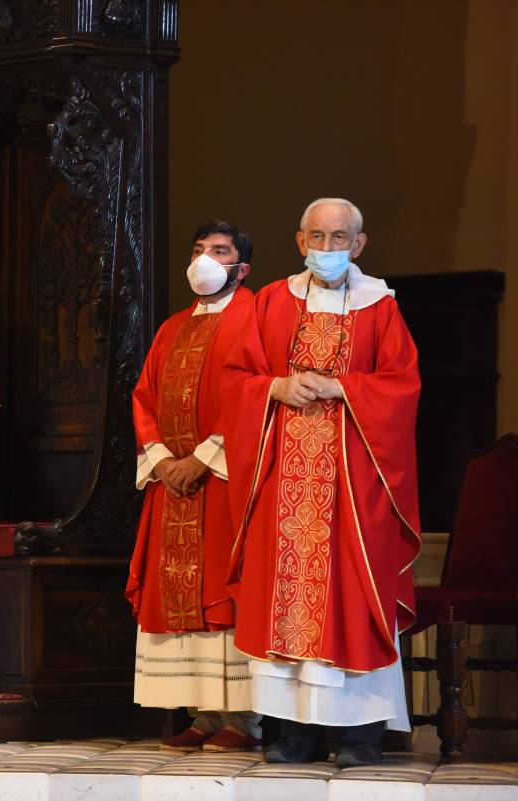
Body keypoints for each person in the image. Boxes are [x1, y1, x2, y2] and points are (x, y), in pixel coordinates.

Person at [224, 198, 421, 767]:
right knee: (283, 600)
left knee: (354, 598)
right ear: (299, 239)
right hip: (283, 475)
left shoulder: (380, 307)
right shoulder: (269, 302)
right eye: (317, 236)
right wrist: (275, 389)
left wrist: (345, 389)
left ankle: (361, 734)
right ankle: (295, 733)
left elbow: (403, 385)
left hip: (354, 487)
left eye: (339, 238)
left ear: (359, 245)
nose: (327, 248)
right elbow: (236, 377)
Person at [128, 221, 262, 752]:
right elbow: (144, 396)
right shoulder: (171, 328)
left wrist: (204, 458)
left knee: (224, 596)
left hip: (224, 482)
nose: (204, 259)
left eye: (219, 251)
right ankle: (204, 716)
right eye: (199, 249)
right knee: (182, 599)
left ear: (241, 268)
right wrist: (162, 460)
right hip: (174, 487)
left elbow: (254, 395)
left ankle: (244, 718)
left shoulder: (257, 318)